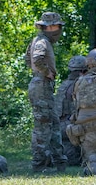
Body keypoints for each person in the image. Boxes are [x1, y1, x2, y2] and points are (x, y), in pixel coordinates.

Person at [27, 11, 68, 172]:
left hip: (42, 85)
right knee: (43, 125)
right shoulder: (42, 42)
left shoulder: (39, 41)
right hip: (41, 85)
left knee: (53, 123)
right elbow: (36, 59)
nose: (58, 30)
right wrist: (46, 72)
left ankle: (58, 162)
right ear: (49, 27)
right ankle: (39, 164)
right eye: (56, 26)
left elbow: (27, 59)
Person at [55, 55, 88, 169]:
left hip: (60, 128)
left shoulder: (64, 85)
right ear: (83, 70)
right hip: (69, 127)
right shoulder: (79, 85)